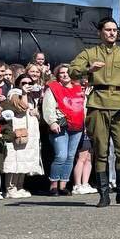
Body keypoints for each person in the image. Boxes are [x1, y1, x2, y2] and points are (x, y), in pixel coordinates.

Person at [68, 17, 120, 207]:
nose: (112, 33)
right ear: (100, 32)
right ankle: (104, 194)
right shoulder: (90, 53)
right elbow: (72, 70)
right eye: (108, 30)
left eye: (115, 30)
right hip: (98, 103)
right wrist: (89, 68)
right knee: (101, 151)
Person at [44, 64, 85, 196]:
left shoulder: (79, 88)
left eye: (67, 72)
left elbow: (83, 107)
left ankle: (63, 185)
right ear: (58, 75)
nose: (65, 74)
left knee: (70, 156)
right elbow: (48, 106)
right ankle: (53, 185)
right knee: (61, 155)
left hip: (77, 126)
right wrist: (52, 122)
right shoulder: (53, 88)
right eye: (62, 73)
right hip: (61, 124)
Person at [2, 88, 42, 198]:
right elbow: (21, 108)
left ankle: (19, 187)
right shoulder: (14, 94)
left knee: (24, 162)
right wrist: (24, 94)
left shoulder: (32, 98)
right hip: (17, 133)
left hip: (28, 135)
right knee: (13, 162)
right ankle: (10, 188)